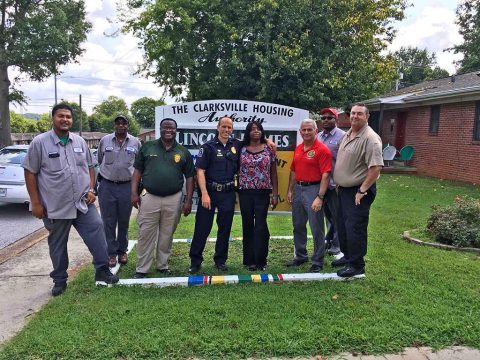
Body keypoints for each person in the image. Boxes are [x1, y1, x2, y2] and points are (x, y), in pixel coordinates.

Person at [22, 103, 118, 297]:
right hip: (55, 206)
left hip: (82, 202)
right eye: (61, 116)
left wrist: (91, 189)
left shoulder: (80, 142)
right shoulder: (40, 142)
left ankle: (102, 269)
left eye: (68, 116)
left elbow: (90, 167)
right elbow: (30, 172)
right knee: (57, 244)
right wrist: (36, 203)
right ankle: (59, 280)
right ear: (53, 118)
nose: (65, 119)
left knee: (97, 229)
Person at [131, 118, 194, 278]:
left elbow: (189, 177)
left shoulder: (182, 151)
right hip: (150, 196)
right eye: (165, 127)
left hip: (174, 198)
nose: (168, 130)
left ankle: (162, 265)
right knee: (145, 233)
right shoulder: (147, 147)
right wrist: (133, 193)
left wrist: (188, 200)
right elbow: (137, 172)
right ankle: (142, 268)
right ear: (160, 129)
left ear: (176, 130)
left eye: (171, 128)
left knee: (167, 233)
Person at [333, 103, 383, 277]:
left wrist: (362, 190)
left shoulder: (370, 138)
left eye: (359, 114)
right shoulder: (349, 133)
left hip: (358, 192)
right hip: (344, 190)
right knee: (344, 226)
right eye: (353, 113)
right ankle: (348, 257)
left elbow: (376, 168)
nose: (354, 116)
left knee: (355, 228)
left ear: (367, 116)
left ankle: (356, 265)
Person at [188, 116, 240, 273]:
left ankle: (220, 260)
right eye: (223, 126)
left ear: (232, 129)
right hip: (209, 192)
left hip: (228, 193)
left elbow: (256, 141)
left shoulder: (236, 145)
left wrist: (269, 142)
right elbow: (200, 171)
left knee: (225, 228)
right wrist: (204, 193)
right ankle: (195, 261)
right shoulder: (208, 147)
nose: (226, 130)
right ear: (218, 127)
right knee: (202, 228)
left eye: (229, 127)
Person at [286, 119, 332, 272]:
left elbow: (326, 174)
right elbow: (293, 171)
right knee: (298, 225)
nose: (306, 132)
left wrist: (320, 197)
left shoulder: (322, 149)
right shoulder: (298, 148)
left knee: (316, 227)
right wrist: (290, 190)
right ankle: (300, 255)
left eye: (309, 130)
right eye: (303, 130)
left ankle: (317, 261)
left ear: (316, 131)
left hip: (314, 189)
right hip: (298, 189)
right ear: (300, 132)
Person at [97, 114, 141, 267]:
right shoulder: (105, 140)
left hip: (127, 186)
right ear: (114, 125)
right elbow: (99, 160)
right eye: (118, 123)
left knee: (123, 221)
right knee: (108, 221)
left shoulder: (136, 142)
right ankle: (111, 253)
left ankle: (122, 251)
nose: (121, 126)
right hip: (107, 185)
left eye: (124, 123)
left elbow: (139, 165)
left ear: (128, 125)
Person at [238, 121, 278, 271]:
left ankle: (261, 260)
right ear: (248, 132)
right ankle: (249, 260)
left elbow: (273, 172)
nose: (256, 131)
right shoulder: (241, 148)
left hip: (263, 192)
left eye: (258, 129)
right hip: (245, 192)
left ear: (262, 132)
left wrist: (275, 193)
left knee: (261, 226)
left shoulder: (269, 149)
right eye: (252, 129)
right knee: (247, 225)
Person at [317, 107, 346, 256]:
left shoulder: (343, 137)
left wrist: (341, 181)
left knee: (337, 216)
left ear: (336, 120)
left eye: (329, 118)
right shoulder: (319, 137)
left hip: (335, 184)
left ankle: (337, 245)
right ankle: (329, 240)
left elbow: (345, 161)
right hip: (321, 184)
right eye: (323, 118)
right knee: (327, 215)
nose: (326, 120)